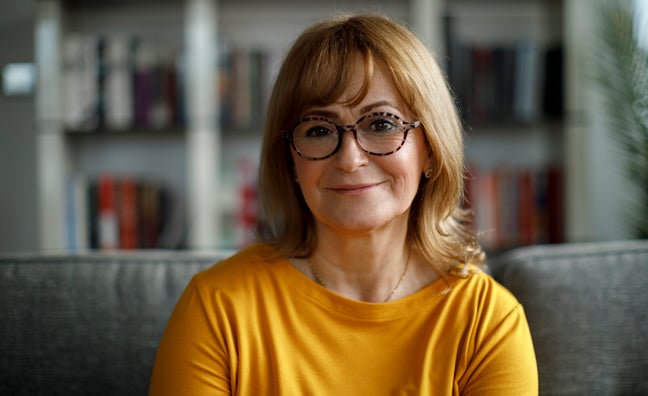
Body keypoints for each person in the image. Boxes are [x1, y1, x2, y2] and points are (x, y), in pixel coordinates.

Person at [149, 13, 538, 395]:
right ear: (291, 161)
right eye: (318, 129)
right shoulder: (217, 307)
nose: (350, 159)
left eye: (382, 124)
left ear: (432, 150)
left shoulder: (487, 323)